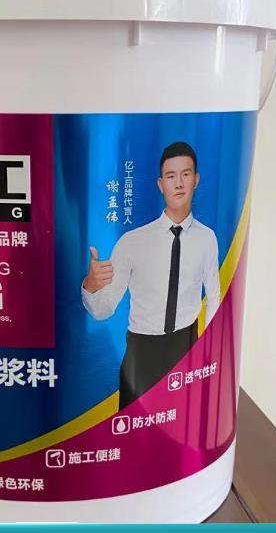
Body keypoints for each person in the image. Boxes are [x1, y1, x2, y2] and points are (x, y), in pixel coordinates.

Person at [82, 141, 220, 408]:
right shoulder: (132, 241)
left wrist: (209, 349)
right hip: (141, 356)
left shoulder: (207, 239)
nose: (178, 183)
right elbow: (103, 310)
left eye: (186, 174)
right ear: (160, 184)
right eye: (170, 176)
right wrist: (91, 285)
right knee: (134, 428)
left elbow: (214, 296)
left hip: (187, 347)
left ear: (196, 180)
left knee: (183, 424)